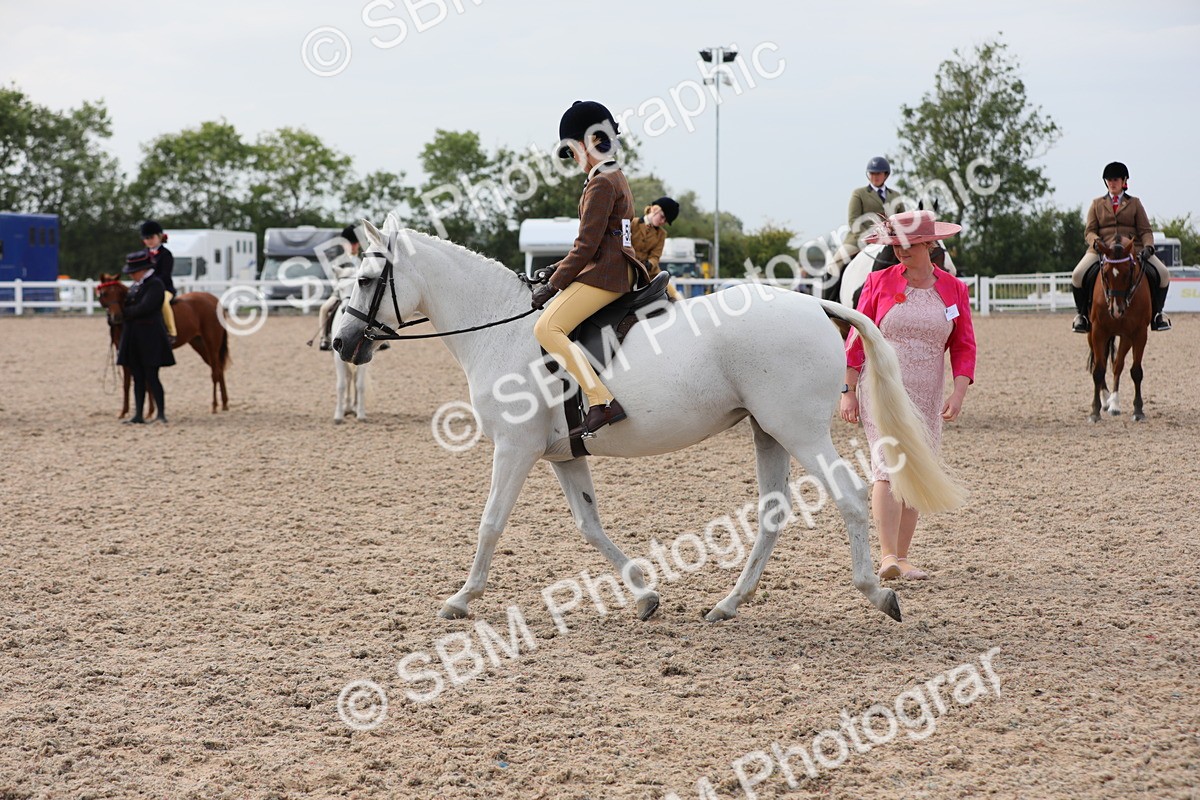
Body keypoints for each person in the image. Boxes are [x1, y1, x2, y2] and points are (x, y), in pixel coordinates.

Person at [839, 210, 976, 581]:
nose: (900, 251)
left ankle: (902, 555)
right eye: (895, 244)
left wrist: (959, 391)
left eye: (909, 245)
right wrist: (848, 389)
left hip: (928, 392)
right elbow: (857, 337)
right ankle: (886, 557)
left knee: (915, 467)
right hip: (881, 388)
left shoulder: (954, 289)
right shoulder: (878, 281)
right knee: (887, 465)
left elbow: (964, 345)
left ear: (930, 245)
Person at [531, 100, 650, 435]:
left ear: (585, 143)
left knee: (546, 328)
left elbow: (586, 247)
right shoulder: (615, 175)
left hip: (607, 274)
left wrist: (553, 284)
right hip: (616, 266)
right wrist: (555, 268)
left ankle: (601, 401)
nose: (574, 160)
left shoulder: (601, 183)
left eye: (571, 151)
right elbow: (594, 243)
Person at [1071, 162, 1171, 333]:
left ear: (1124, 180)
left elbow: (1145, 230)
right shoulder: (1097, 204)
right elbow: (1089, 231)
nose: (1112, 183)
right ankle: (1082, 316)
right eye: (1109, 180)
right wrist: (1096, 242)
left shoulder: (1135, 203)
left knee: (1163, 274)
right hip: (1104, 250)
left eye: (1116, 179)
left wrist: (1148, 247)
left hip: (1132, 250)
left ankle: (1157, 315)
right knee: (1077, 275)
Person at [824, 156, 907, 301]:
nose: (875, 177)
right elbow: (853, 220)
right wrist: (870, 238)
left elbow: (901, 220)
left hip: (889, 242)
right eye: (872, 174)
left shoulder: (895, 196)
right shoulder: (859, 193)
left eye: (878, 173)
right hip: (859, 239)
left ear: (885, 175)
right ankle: (828, 304)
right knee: (834, 264)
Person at [117, 249, 175, 424]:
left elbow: (146, 307)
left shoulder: (155, 284)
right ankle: (138, 415)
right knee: (138, 377)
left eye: (133, 272)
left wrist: (125, 313)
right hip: (134, 337)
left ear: (141, 270)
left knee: (152, 376)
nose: (131, 276)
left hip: (150, 337)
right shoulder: (136, 287)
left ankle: (161, 413)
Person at [310, 224, 361, 350]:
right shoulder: (339, 260)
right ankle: (324, 337)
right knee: (324, 308)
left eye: (355, 243)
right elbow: (334, 279)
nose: (353, 246)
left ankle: (383, 340)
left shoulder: (364, 258)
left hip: (360, 292)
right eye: (350, 243)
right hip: (341, 293)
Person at [629, 196, 682, 301]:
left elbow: (656, 256)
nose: (663, 222)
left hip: (650, 272)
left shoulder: (662, 234)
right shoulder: (632, 223)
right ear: (654, 209)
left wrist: (649, 263)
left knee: (674, 296)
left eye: (665, 221)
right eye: (662, 217)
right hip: (629, 268)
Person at [140, 220, 177, 345]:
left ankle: (172, 332)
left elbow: (165, 275)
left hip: (164, 288)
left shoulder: (166, 254)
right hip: (146, 288)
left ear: (159, 236)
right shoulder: (143, 254)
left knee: (164, 303)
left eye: (151, 237)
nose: (149, 240)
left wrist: (151, 284)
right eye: (146, 238)